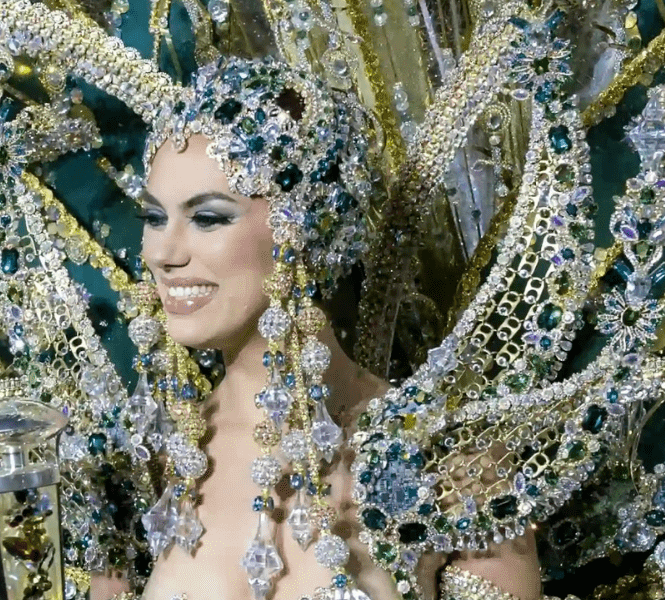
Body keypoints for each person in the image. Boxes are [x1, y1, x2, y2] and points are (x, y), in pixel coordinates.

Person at [92, 58, 542, 600]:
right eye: (154, 218)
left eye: (208, 218)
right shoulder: (148, 465)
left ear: (304, 230)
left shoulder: (440, 457)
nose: (164, 253)